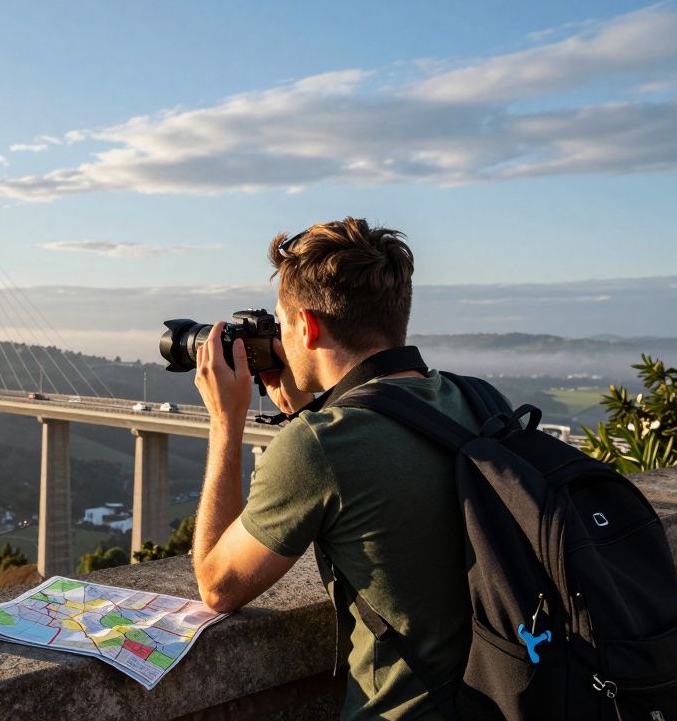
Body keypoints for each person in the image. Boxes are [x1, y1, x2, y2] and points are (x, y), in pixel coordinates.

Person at [190, 217, 497, 720]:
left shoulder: (318, 445)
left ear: (307, 327)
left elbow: (218, 586)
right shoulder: (479, 400)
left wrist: (226, 422)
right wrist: (306, 411)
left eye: (281, 323)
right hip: (511, 696)